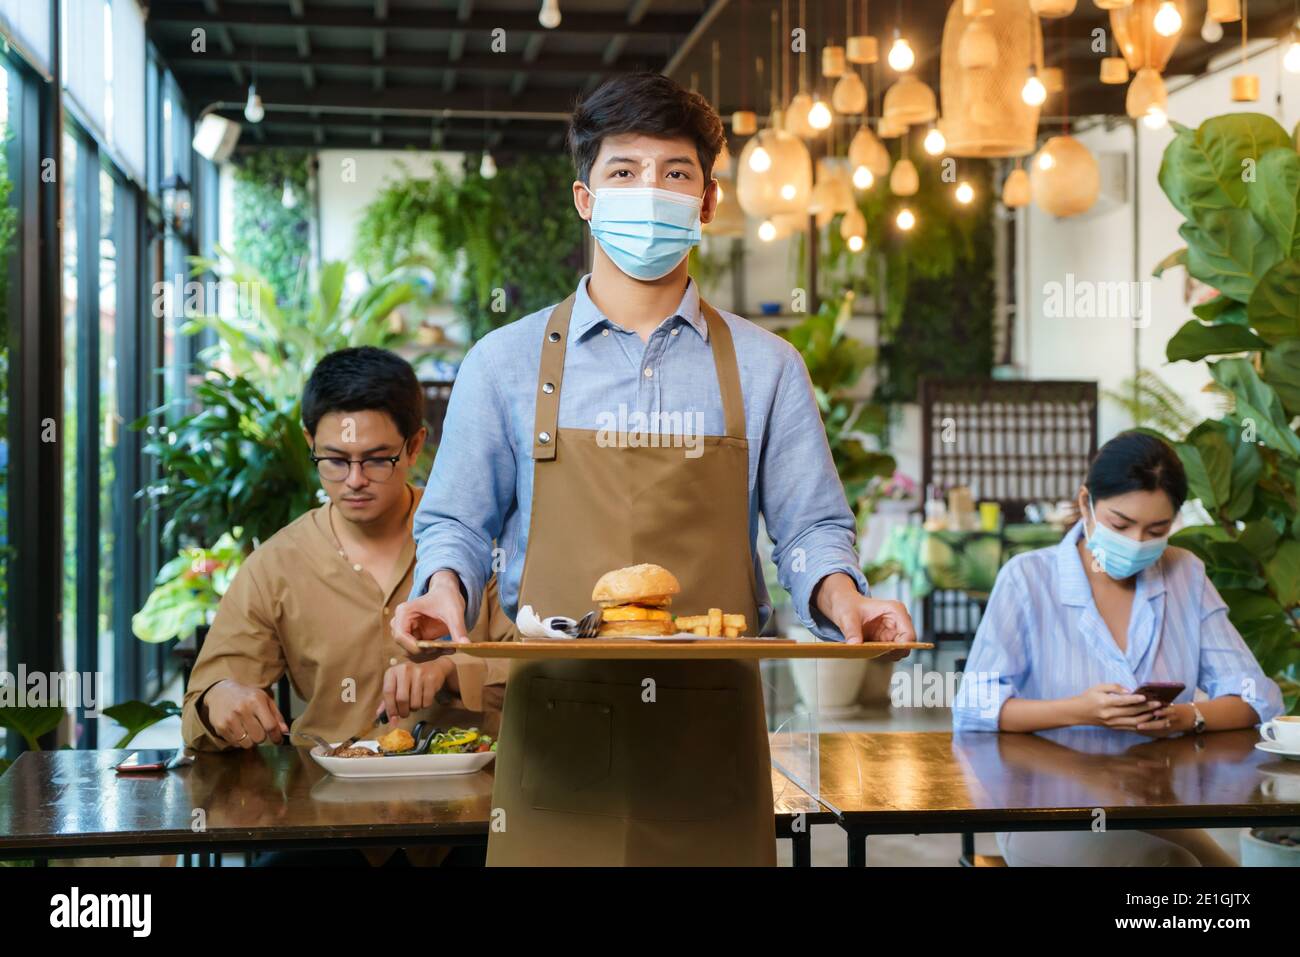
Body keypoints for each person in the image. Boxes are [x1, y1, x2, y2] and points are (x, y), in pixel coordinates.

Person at [390, 72, 916, 866]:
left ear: (706, 203)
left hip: (711, 745)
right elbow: (458, 522)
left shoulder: (770, 368)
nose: (650, 191)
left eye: (675, 173)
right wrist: (442, 591)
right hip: (557, 747)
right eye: (623, 172)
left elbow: (809, 528)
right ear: (585, 197)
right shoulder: (503, 363)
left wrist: (845, 601)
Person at [181, 347, 513, 864]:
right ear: (310, 443)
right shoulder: (276, 565)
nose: (354, 480)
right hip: (329, 828)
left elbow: (539, 668)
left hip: (473, 822)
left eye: (377, 459)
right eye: (335, 460)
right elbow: (205, 698)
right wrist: (222, 699)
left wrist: (451, 669)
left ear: (415, 445)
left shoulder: (472, 545)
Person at [953, 431, 1284, 865]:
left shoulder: (1184, 573)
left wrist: (1183, 717)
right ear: (1086, 502)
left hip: (1155, 802)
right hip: (1049, 808)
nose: (1136, 542)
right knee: (1163, 864)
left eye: (1156, 530)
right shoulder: (1028, 579)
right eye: (1120, 525)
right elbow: (973, 707)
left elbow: (1256, 698)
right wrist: (1080, 710)